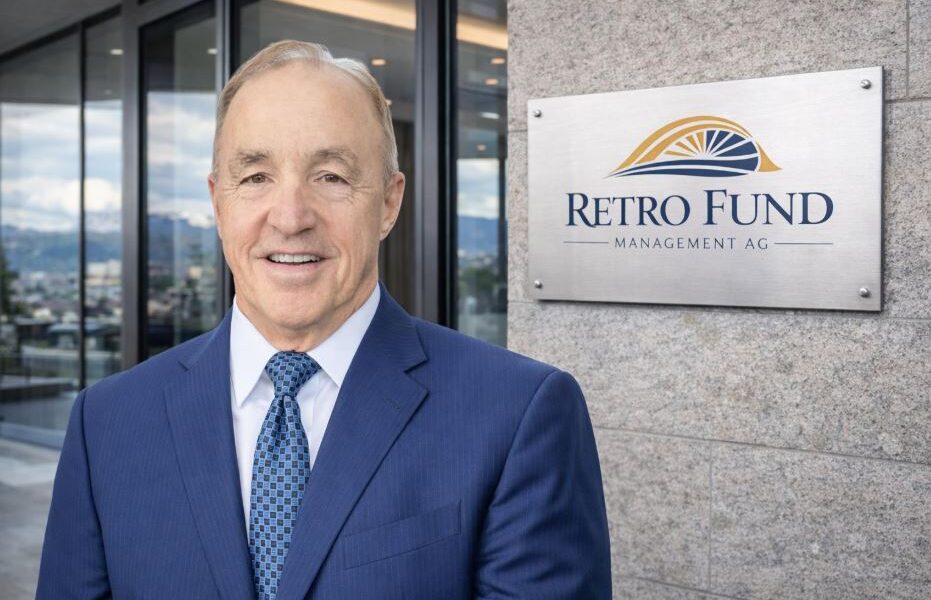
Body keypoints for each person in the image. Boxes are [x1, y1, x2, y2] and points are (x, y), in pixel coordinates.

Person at [36, 39, 611, 599]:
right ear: (217, 202)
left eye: (331, 176)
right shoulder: (107, 423)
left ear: (388, 202)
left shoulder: (518, 414)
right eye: (256, 176)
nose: (290, 218)